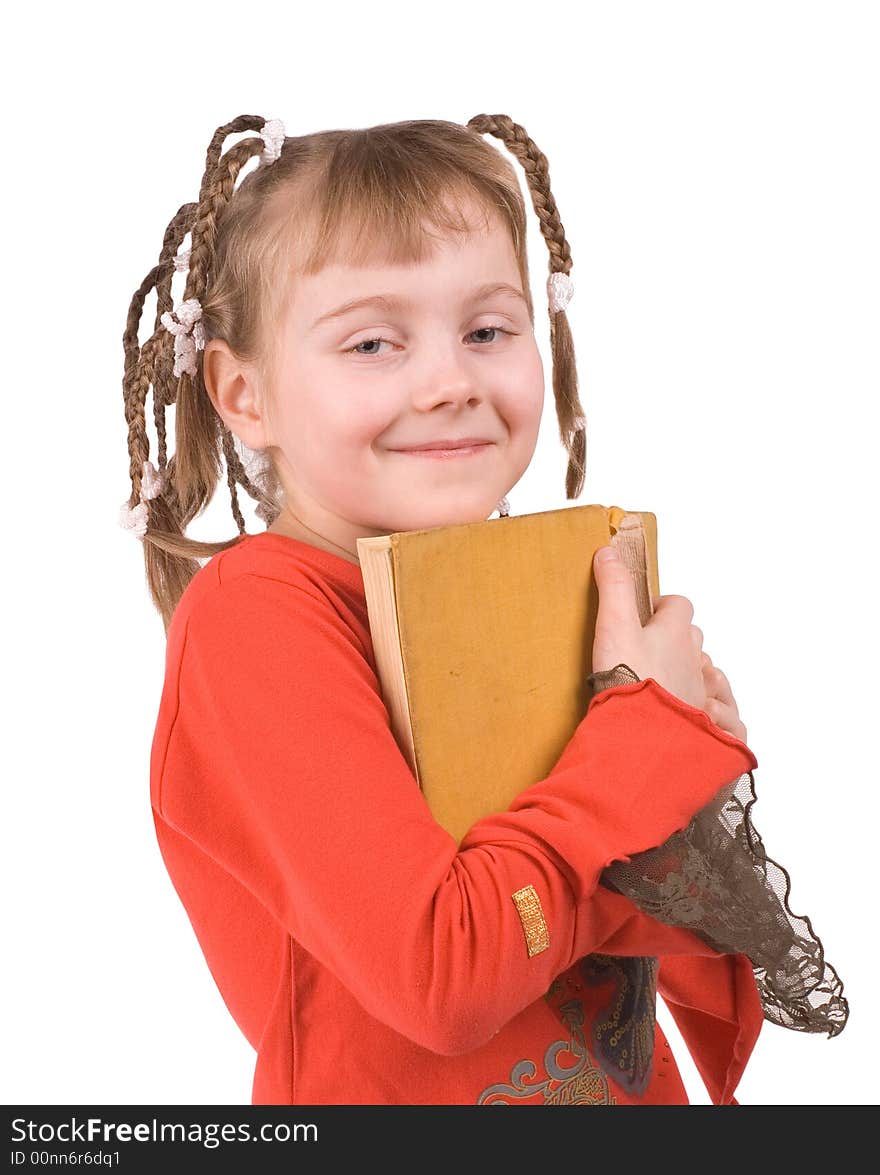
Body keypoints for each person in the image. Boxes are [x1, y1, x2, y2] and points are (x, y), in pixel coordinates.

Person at [120, 113, 847, 1106]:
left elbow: (621, 905)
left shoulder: (525, 580)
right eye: (373, 341)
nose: (451, 380)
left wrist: (684, 763)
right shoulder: (254, 616)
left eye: (487, 330)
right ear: (245, 395)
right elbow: (444, 976)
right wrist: (637, 736)